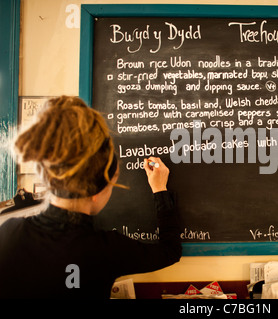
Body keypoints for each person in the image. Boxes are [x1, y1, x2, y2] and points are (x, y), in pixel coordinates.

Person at [0, 96, 181, 298]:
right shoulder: (106, 250)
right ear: (97, 190)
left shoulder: (9, 234)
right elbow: (170, 251)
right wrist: (159, 189)